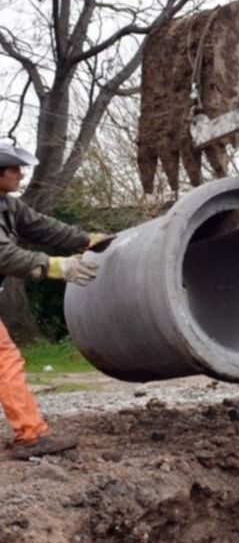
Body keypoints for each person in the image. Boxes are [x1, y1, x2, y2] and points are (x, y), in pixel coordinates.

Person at [0, 142, 104, 460]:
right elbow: (3, 253)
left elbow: (42, 226)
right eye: (14, 169)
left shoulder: (8, 205)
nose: (21, 174)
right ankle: (30, 436)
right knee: (6, 361)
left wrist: (86, 240)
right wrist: (57, 266)